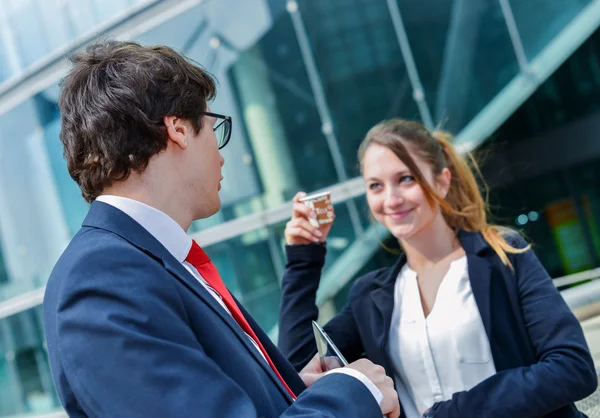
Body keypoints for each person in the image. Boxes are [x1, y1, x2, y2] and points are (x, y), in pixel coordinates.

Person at [43, 40, 400, 418]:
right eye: (216, 128)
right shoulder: (101, 280)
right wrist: (354, 391)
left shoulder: (144, 263)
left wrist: (290, 393)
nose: (221, 153)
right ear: (178, 129)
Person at [278, 119, 598, 418]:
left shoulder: (503, 254)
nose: (391, 199)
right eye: (375, 186)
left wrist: (453, 412)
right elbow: (296, 371)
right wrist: (303, 259)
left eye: (406, 179)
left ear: (442, 182)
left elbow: (573, 368)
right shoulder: (372, 296)